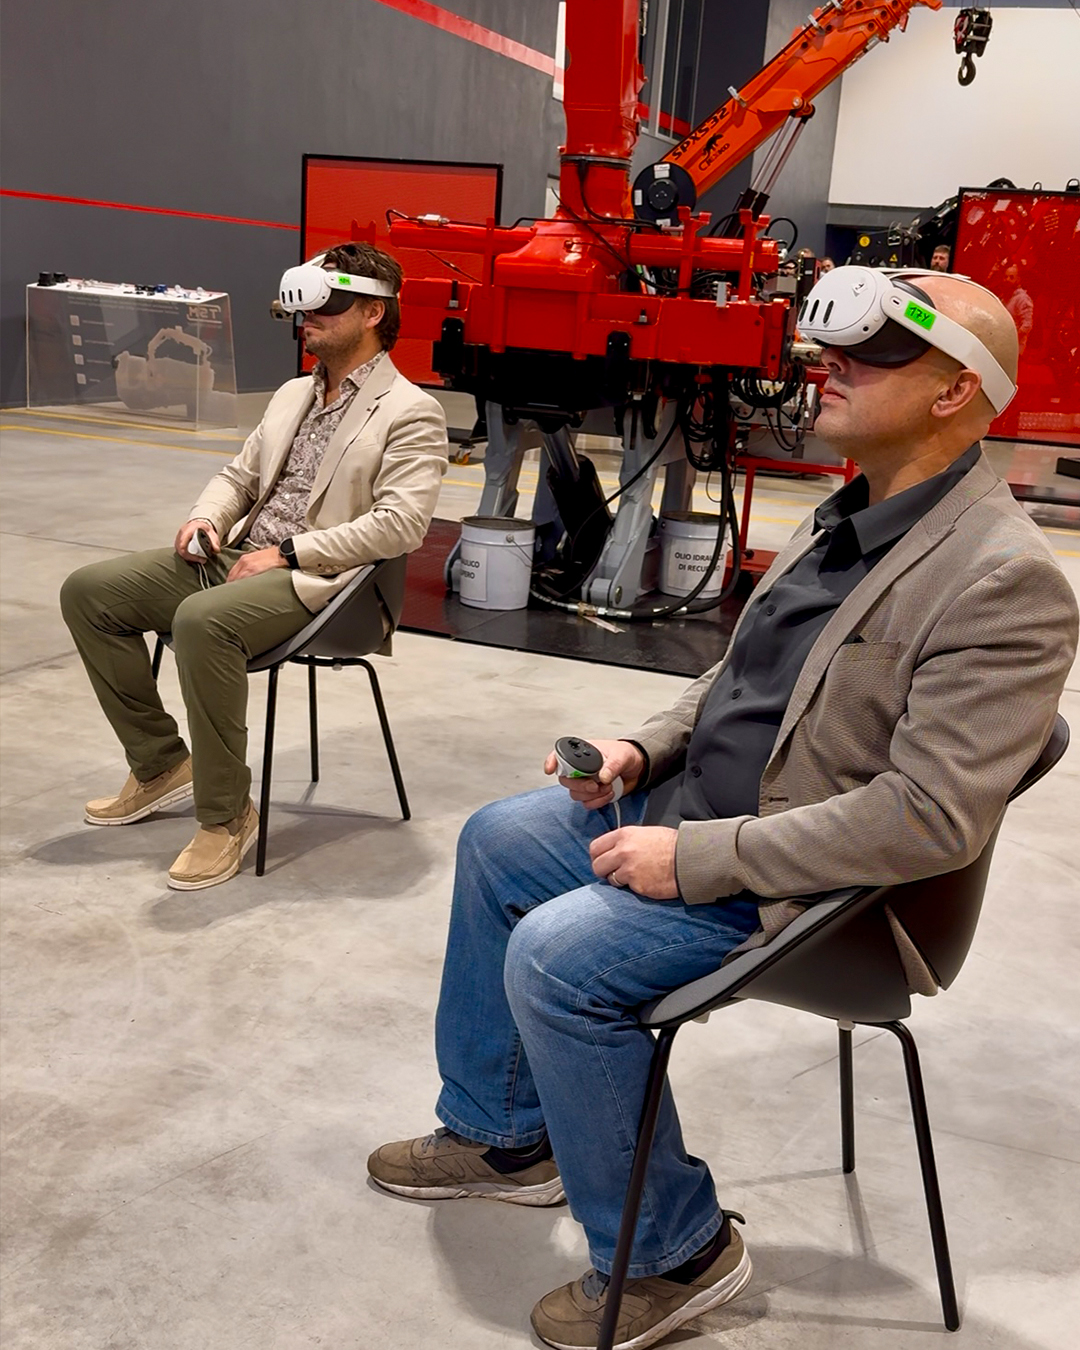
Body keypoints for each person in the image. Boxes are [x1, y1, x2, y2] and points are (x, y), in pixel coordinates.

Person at [366, 270, 1078, 1350]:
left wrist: (697, 857)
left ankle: (677, 1252)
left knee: (560, 958)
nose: (828, 367)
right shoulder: (849, 513)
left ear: (952, 394)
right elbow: (737, 679)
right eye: (834, 348)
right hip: (700, 818)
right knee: (499, 840)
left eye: (873, 355)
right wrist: (641, 748)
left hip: (807, 891)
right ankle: (506, 1136)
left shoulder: (1003, 579)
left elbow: (930, 818)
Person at [60, 243, 448, 890]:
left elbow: (401, 524)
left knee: (201, 622)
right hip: (240, 558)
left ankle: (226, 816)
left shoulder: (411, 411)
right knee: (89, 592)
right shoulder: (293, 393)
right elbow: (239, 476)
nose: (308, 318)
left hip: (325, 584)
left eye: (327, 305)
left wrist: (289, 553)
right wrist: (206, 519)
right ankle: (161, 764)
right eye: (305, 306)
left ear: (374, 312)